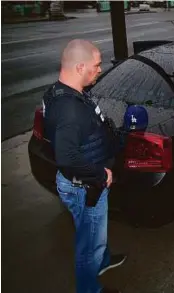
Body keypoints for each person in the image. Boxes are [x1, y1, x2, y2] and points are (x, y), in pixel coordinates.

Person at [42, 39, 126, 293]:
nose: (100, 70)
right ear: (80, 67)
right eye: (97, 65)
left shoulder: (60, 92)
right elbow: (67, 157)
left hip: (84, 183)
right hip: (85, 186)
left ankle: (102, 260)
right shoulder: (70, 109)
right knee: (88, 246)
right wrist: (100, 173)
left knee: (92, 237)